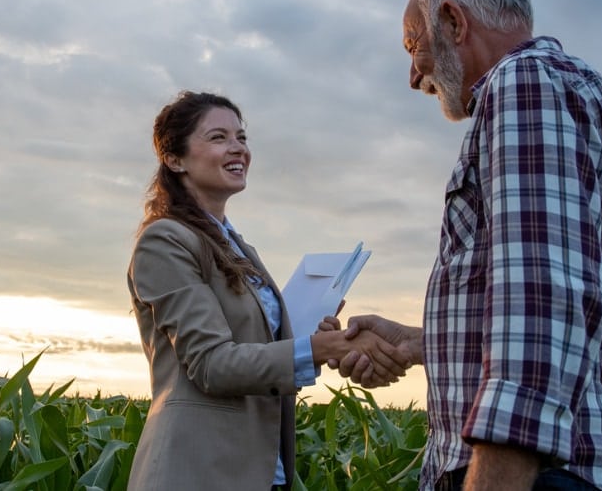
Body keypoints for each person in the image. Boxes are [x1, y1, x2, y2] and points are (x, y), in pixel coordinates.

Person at [332, 0, 602, 489]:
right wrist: (422, 343)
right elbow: (561, 296)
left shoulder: (522, 83)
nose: (413, 75)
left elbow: (541, 302)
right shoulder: (563, 86)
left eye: (412, 45)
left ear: (452, 21)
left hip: (544, 475)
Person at [126, 90, 406, 491]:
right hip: (198, 471)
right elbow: (212, 364)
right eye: (218, 137)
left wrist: (316, 337)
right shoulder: (165, 241)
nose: (237, 147)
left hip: (261, 471)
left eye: (241, 137)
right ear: (174, 159)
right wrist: (322, 349)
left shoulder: (238, 247)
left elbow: (257, 348)